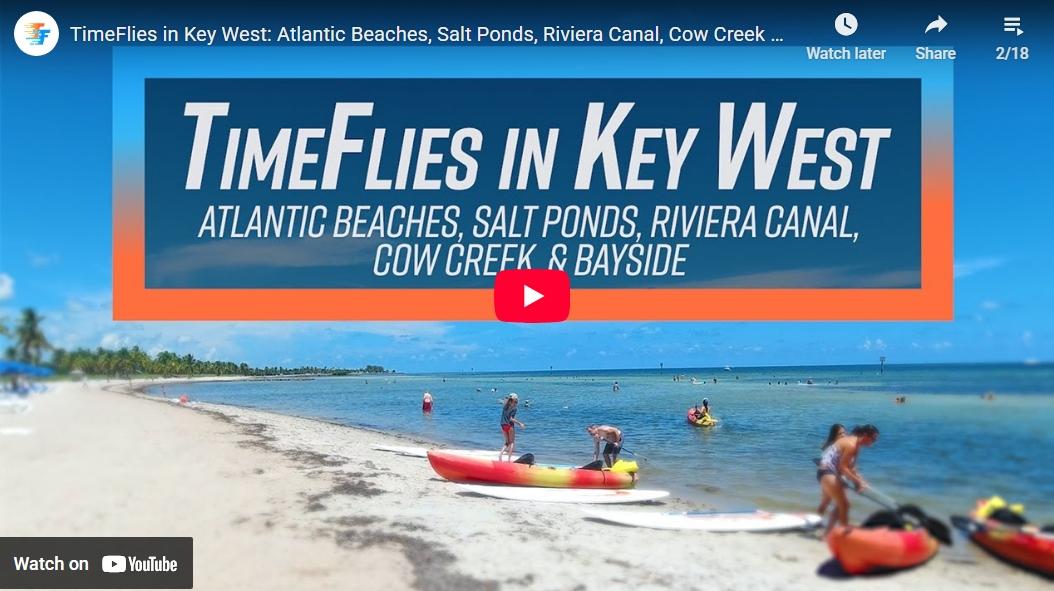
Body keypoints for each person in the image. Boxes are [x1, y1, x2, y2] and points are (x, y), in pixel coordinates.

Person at [816, 424, 879, 533]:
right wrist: (858, 482)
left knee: (831, 503)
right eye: (873, 439)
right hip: (827, 473)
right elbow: (843, 467)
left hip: (827, 473)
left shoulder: (856, 444)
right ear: (865, 435)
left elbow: (852, 468)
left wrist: (861, 481)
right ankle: (843, 534)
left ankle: (826, 532)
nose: (874, 442)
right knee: (844, 505)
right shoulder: (851, 445)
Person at [816, 424, 847, 517]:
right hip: (827, 474)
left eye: (844, 432)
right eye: (840, 434)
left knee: (826, 500)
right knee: (841, 502)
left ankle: (817, 520)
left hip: (825, 474)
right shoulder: (833, 447)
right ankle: (834, 524)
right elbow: (826, 460)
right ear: (834, 435)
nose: (843, 435)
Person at [499, 393, 526, 461]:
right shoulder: (514, 408)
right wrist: (520, 424)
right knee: (512, 443)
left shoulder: (505, 406)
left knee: (507, 442)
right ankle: (509, 459)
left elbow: (505, 400)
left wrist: (507, 398)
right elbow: (511, 419)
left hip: (503, 425)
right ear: (515, 400)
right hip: (509, 425)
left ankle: (500, 454)